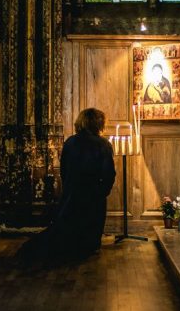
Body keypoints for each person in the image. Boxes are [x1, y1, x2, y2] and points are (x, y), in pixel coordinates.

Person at [17, 108, 116, 263]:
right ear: (98, 124)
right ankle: (89, 247)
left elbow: (63, 169)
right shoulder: (103, 145)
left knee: (67, 226)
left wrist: (70, 187)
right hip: (94, 194)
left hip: (73, 193)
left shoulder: (70, 142)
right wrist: (103, 191)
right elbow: (109, 173)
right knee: (91, 225)